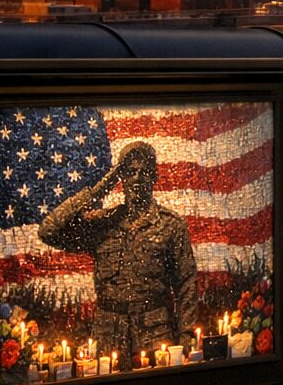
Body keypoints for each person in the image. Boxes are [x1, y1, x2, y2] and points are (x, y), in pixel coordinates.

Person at [39, 141, 199, 359]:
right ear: (121, 178)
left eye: (144, 172)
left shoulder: (171, 225)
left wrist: (187, 334)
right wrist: (99, 189)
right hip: (108, 336)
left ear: (153, 177)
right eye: (130, 172)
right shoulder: (103, 223)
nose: (137, 178)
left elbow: (186, 284)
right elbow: (48, 231)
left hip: (155, 336)